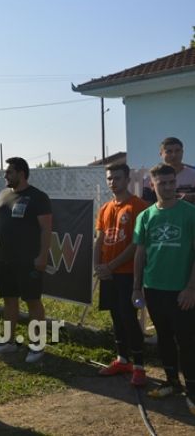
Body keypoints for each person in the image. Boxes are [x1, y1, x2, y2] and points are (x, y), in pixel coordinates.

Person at [132, 163, 195, 414]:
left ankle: (192, 391)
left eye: (171, 182)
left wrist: (191, 288)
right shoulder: (145, 216)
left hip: (182, 290)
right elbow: (140, 254)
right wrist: (137, 287)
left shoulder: (190, 213)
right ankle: (172, 383)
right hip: (154, 288)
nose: (168, 187)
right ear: (152, 185)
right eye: (162, 183)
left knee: (187, 341)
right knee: (164, 338)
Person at [0, 157, 52, 363]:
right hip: (5, 259)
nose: (5, 175)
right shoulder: (3, 195)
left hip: (28, 260)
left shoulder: (38, 197)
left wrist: (42, 256)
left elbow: (46, 229)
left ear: (21, 173)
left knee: (32, 300)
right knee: (9, 299)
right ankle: (9, 342)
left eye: (9, 172)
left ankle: (37, 345)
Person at [93, 163, 148, 386]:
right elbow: (99, 239)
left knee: (129, 317)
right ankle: (122, 359)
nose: (113, 182)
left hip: (126, 273)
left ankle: (139, 366)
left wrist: (112, 265)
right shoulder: (105, 208)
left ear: (127, 180)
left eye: (117, 178)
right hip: (107, 273)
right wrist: (98, 265)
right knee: (116, 316)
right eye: (109, 178)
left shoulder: (139, 206)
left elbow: (137, 245)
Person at [142, 137, 195, 203]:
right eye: (169, 151)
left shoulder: (193, 174)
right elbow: (146, 204)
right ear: (161, 154)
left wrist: (192, 197)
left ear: (182, 152)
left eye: (177, 151)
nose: (174, 155)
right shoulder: (150, 179)